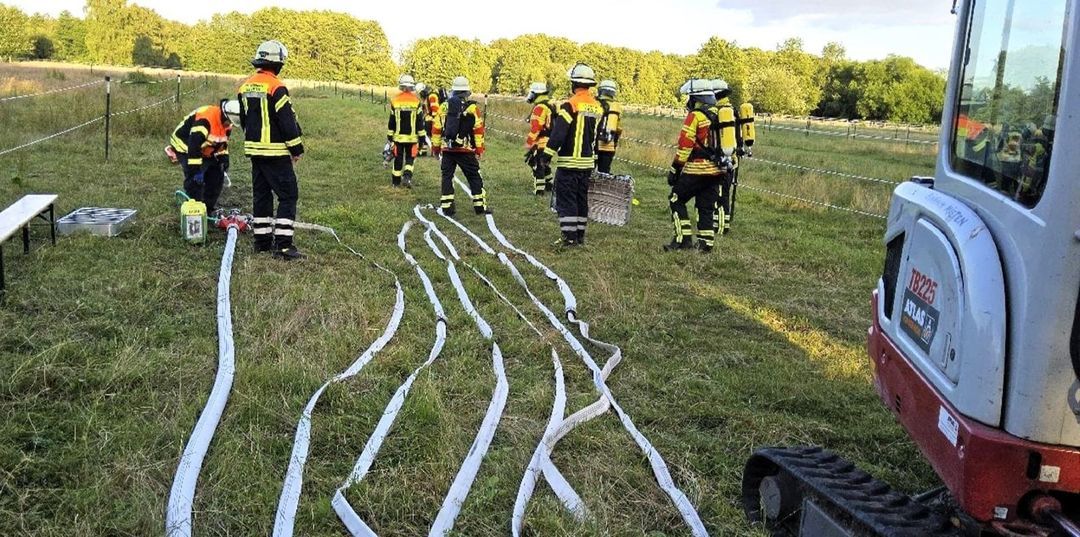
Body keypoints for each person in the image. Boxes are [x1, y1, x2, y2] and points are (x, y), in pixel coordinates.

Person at [237, 40, 305, 260]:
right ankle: (284, 246)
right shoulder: (276, 87)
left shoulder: (245, 86)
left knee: (262, 195)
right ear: (278, 63)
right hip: (275, 152)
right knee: (288, 196)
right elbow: (286, 122)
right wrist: (296, 148)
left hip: (255, 151)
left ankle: (262, 242)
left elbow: (244, 119)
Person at [538, 63, 604, 247]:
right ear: (590, 85)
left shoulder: (570, 105)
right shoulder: (597, 107)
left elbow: (559, 134)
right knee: (581, 199)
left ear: (573, 84)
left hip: (569, 163)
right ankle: (580, 235)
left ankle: (569, 238)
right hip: (587, 164)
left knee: (566, 200)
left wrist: (546, 156)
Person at [665, 78, 732, 253]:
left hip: (697, 170)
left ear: (696, 99)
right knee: (706, 207)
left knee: (676, 199)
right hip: (718, 170)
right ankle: (706, 244)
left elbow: (685, 146)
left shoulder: (695, 116)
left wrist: (675, 169)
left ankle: (682, 239)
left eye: (690, 98)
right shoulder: (720, 115)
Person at [431, 76, 489, 216]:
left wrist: (436, 147)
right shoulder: (472, 108)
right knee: (474, 176)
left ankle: (447, 207)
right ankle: (479, 207)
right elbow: (478, 130)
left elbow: (436, 129)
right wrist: (479, 149)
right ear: (466, 92)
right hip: (465, 150)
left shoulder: (443, 106)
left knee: (447, 176)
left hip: (448, 149)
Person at [167, 99, 236, 213]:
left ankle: (208, 208)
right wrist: (196, 171)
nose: (229, 124)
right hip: (185, 145)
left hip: (203, 147)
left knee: (217, 176)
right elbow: (193, 146)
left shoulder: (228, 123)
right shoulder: (205, 120)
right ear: (225, 115)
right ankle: (194, 209)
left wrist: (224, 158)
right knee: (195, 180)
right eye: (228, 122)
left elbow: (221, 142)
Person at [710, 79, 741, 236]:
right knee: (722, 192)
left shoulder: (719, 112)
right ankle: (719, 223)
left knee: (721, 194)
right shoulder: (733, 110)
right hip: (732, 159)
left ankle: (721, 227)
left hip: (722, 160)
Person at [387, 74, 427, 188]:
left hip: (398, 138)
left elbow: (392, 121)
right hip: (412, 138)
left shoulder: (395, 100)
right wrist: (422, 138)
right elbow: (420, 122)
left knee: (398, 159)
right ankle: (407, 177)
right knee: (410, 158)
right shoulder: (416, 101)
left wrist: (390, 137)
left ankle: (395, 182)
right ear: (411, 87)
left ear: (402, 86)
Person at [524, 81, 556, 195]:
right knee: (544, 163)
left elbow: (536, 128)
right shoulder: (550, 104)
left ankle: (539, 190)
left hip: (542, 141)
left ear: (536, 94)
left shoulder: (540, 107)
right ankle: (549, 184)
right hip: (551, 141)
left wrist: (529, 142)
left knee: (537, 165)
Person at [595, 79, 623, 174]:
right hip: (609, 146)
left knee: (589, 173)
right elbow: (619, 129)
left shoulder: (596, 104)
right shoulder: (617, 107)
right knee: (604, 174)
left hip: (594, 145)